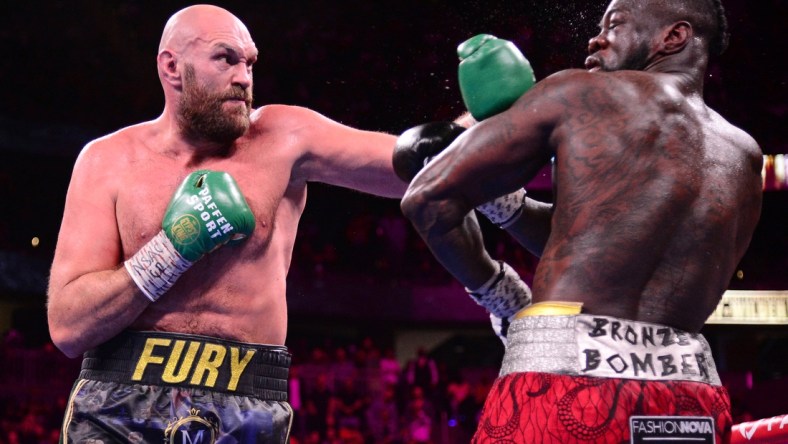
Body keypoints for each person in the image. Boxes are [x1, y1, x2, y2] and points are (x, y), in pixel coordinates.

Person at [400, 0, 762, 443]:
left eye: (615, 25)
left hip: (566, 382)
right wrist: (506, 203)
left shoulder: (578, 93)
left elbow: (427, 197)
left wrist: (502, 295)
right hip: (689, 395)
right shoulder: (744, 154)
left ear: (674, 37)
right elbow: (598, 239)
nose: (595, 38)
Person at [46, 4, 407, 442]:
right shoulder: (107, 161)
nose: (244, 77)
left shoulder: (285, 138)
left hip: (246, 397)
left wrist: (497, 123)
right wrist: (171, 250)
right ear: (172, 66)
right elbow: (68, 328)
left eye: (250, 63)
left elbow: (411, 166)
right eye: (227, 58)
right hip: (118, 403)